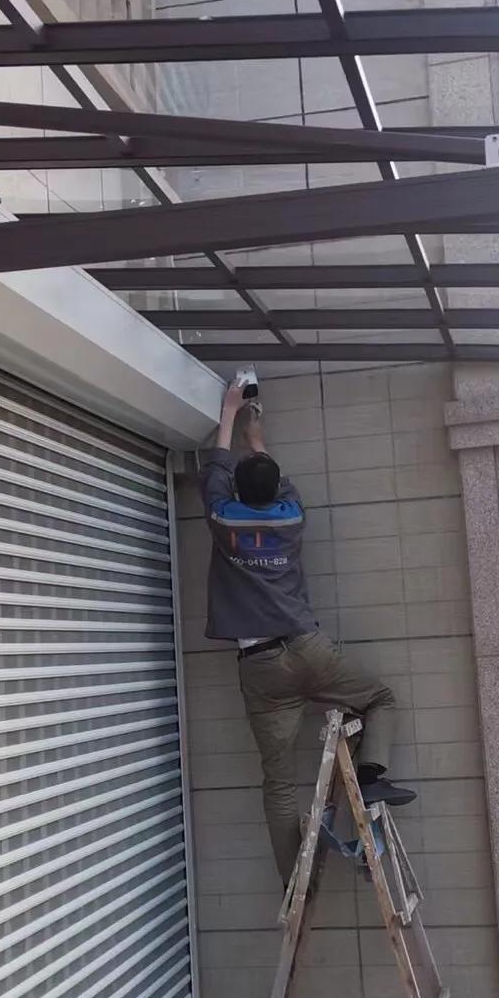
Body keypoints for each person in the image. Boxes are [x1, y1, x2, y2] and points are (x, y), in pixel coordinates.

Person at [200, 377, 415, 881]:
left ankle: (298, 881)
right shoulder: (293, 516)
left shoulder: (222, 518)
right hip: (307, 647)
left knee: (278, 783)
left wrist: (229, 413)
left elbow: (214, 469)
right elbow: (273, 481)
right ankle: (369, 776)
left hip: (261, 667)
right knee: (379, 699)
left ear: (236, 491)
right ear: (277, 489)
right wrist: (258, 438)